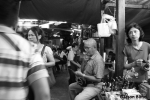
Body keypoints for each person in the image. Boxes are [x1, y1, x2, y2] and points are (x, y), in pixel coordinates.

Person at [0, 0, 50, 100]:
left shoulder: (43, 48)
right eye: (29, 35)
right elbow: (43, 95)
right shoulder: (28, 48)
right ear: (15, 18)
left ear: (39, 36)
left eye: (32, 35)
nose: (30, 37)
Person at [123, 22, 150, 89]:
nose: (133, 34)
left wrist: (147, 66)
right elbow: (124, 66)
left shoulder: (147, 46)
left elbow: (149, 62)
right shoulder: (126, 48)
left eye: (135, 31)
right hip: (130, 80)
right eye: (130, 32)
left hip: (144, 80)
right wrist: (134, 63)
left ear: (140, 33)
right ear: (128, 35)